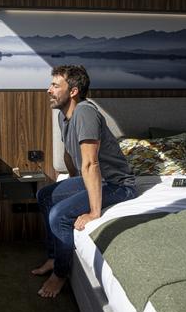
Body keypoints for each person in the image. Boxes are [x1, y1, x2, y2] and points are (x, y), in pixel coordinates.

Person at [32, 65, 136, 298]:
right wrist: (70, 183)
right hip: (95, 179)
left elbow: (91, 164)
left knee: (59, 215)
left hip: (118, 185)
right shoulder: (63, 116)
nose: (49, 90)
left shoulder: (85, 112)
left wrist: (94, 212)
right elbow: (70, 154)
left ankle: (60, 274)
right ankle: (53, 257)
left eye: (55, 85)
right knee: (45, 195)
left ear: (73, 91)